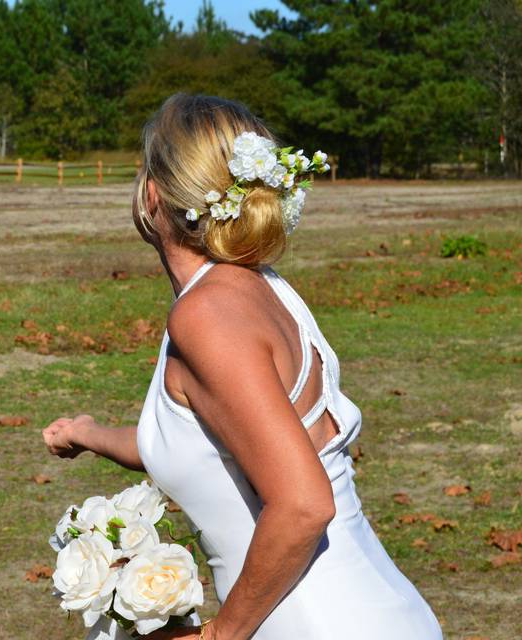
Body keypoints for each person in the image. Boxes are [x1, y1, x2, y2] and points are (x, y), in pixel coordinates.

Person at [42, 94, 443, 640]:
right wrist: (88, 434)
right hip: (379, 610)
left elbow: (303, 504)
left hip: (314, 625)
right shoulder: (257, 286)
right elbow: (220, 436)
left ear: (152, 196)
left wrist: (219, 635)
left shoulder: (206, 316)